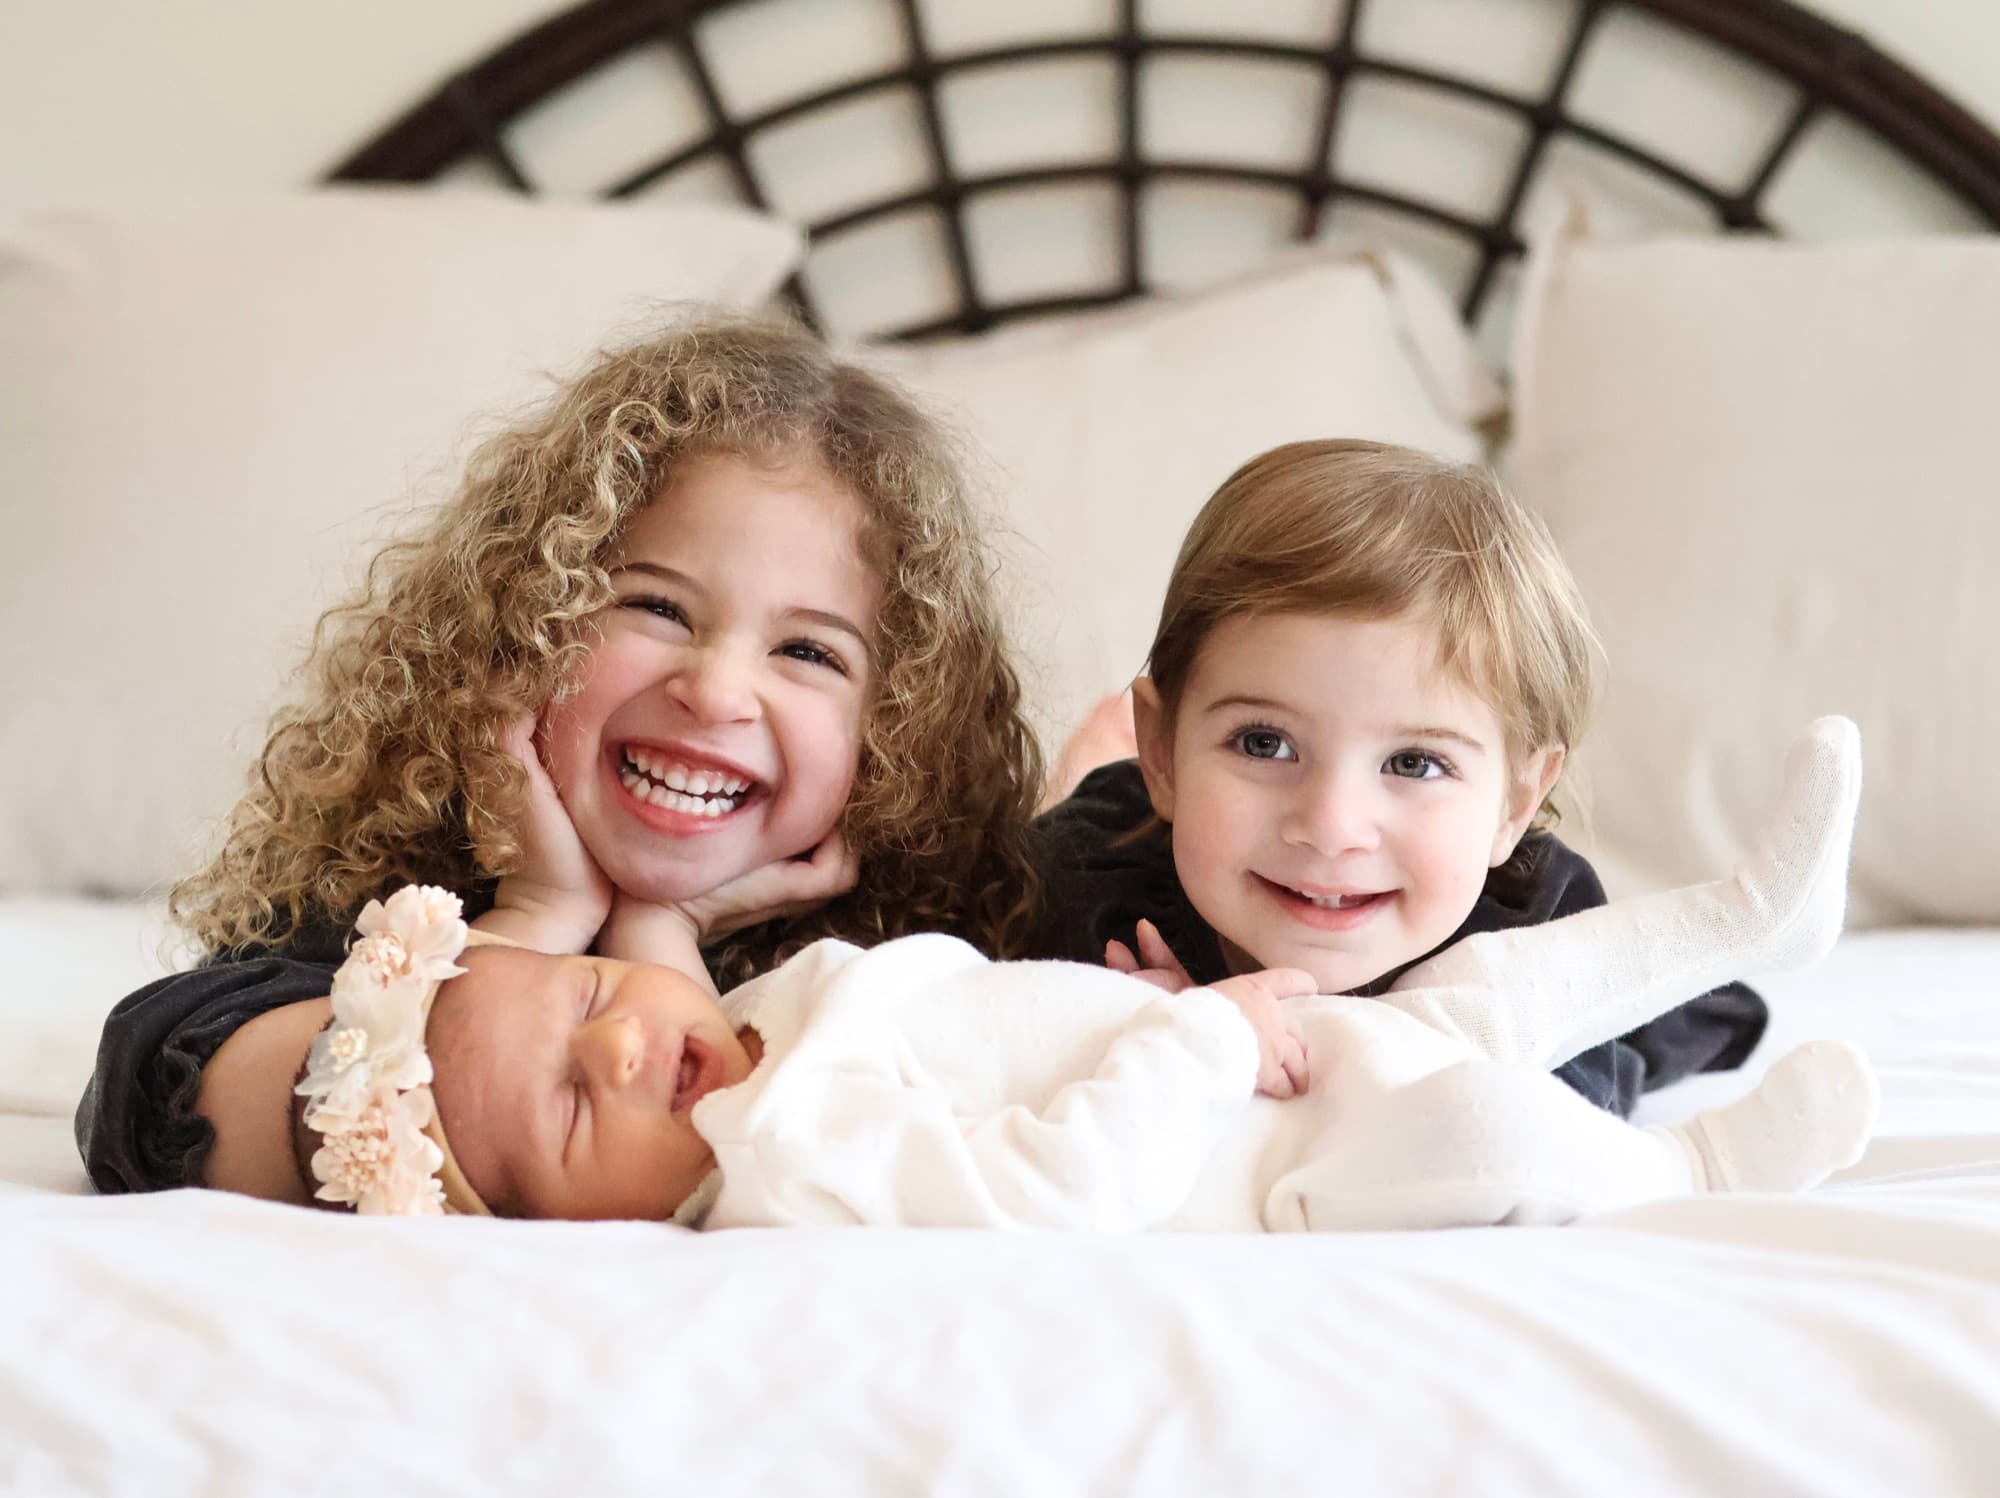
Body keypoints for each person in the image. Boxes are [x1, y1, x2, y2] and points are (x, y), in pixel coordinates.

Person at [76, 313, 1046, 1203]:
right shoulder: (397, 912)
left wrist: (661, 935)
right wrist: (537, 916)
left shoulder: (898, 968)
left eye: (806, 652)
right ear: (522, 627)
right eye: (657, 607)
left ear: (896, 732)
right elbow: (145, 1094)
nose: (713, 691)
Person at [277, 715, 1874, 1230]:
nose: (622, 1047)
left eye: (583, 1008)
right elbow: (1044, 1197)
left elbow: (647, 969)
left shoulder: (725, 1043)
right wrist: (1192, 1041)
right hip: (1282, 1149)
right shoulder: (791, 1170)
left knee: (1498, 986)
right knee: (1488, 1117)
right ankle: (1690, 1162)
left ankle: (1749, 916)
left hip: (1261, 1044)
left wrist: (595, 907)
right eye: (570, 1110)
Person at [1029, 439, 1768, 1117]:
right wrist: (1141, 1031)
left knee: (1670, 1011)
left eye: (1414, 762)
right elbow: (963, 1032)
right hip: (1132, 815)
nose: (1330, 825)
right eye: (1264, 742)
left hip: (1633, 1007)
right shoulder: (1092, 886)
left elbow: (1534, 1142)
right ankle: (1090, 771)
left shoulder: (1534, 922)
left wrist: (1215, 1043)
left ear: (1515, 801)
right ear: (1161, 753)